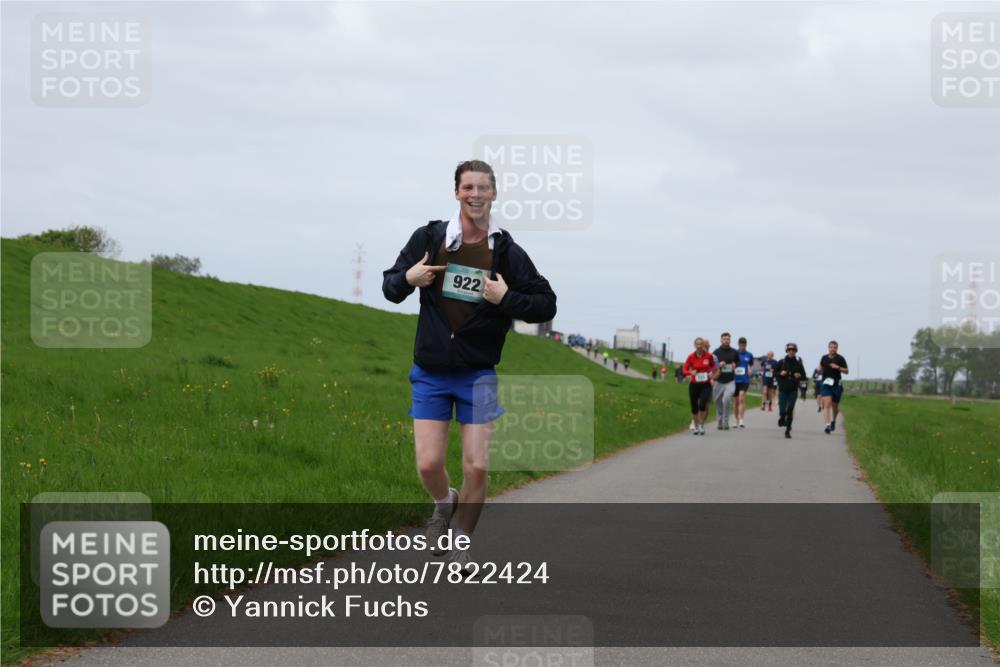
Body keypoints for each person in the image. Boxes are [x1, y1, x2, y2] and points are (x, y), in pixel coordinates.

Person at [382, 159, 556, 569]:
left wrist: (506, 299)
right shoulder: (429, 237)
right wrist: (410, 278)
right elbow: (390, 287)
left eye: (483, 188)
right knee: (428, 464)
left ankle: (462, 541)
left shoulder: (508, 253)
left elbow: (546, 303)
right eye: (468, 188)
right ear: (456, 192)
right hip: (431, 371)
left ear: (494, 194)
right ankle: (445, 502)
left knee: (476, 465)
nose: (475, 195)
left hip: (477, 373)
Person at [683, 337, 718, 435]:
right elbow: (684, 370)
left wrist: (712, 372)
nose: (699, 346)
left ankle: (701, 426)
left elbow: (713, 366)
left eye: (701, 344)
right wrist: (691, 372)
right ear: (695, 345)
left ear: (703, 345)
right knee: (694, 408)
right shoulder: (691, 357)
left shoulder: (708, 356)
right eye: (697, 344)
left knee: (702, 405)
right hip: (694, 384)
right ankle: (696, 425)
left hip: (705, 384)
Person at [774, 343, 806, 439]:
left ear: (796, 351)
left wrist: (799, 376)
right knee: (783, 411)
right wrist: (780, 373)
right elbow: (774, 373)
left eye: (793, 350)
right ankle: (782, 418)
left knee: (790, 409)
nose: (791, 351)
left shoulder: (798, 363)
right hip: (783, 390)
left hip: (793, 390)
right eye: (789, 350)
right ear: (787, 351)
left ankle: (788, 430)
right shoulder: (781, 362)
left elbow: (804, 376)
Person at [819, 340, 849, 433]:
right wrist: (819, 370)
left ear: (837, 348)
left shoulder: (840, 359)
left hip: (837, 385)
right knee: (827, 403)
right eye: (831, 347)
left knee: (835, 407)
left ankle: (833, 420)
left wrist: (838, 367)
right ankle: (827, 425)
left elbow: (847, 371)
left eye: (835, 347)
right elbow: (820, 366)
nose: (833, 349)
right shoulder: (824, 357)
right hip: (826, 384)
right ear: (828, 348)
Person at [712, 332, 740, 430]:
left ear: (730, 340)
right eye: (724, 339)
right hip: (719, 381)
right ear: (721, 340)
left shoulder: (734, 352)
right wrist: (719, 364)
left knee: (727, 399)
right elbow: (712, 365)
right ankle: (719, 421)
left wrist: (735, 365)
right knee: (718, 401)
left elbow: (737, 361)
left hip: (730, 380)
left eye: (728, 339)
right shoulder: (716, 352)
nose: (726, 340)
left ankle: (726, 421)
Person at [733, 336, 754, 428]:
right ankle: (736, 419)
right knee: (736, 401)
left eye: (744, 344)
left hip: (745, 379)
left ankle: (741, 419)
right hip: (735, 380)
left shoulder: (749, 355)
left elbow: (752, 364)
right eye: (741, 344)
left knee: (741, 398)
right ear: (738, 344)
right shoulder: (734, 353)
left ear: (746, 344)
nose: (742, 345)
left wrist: (751, 370)